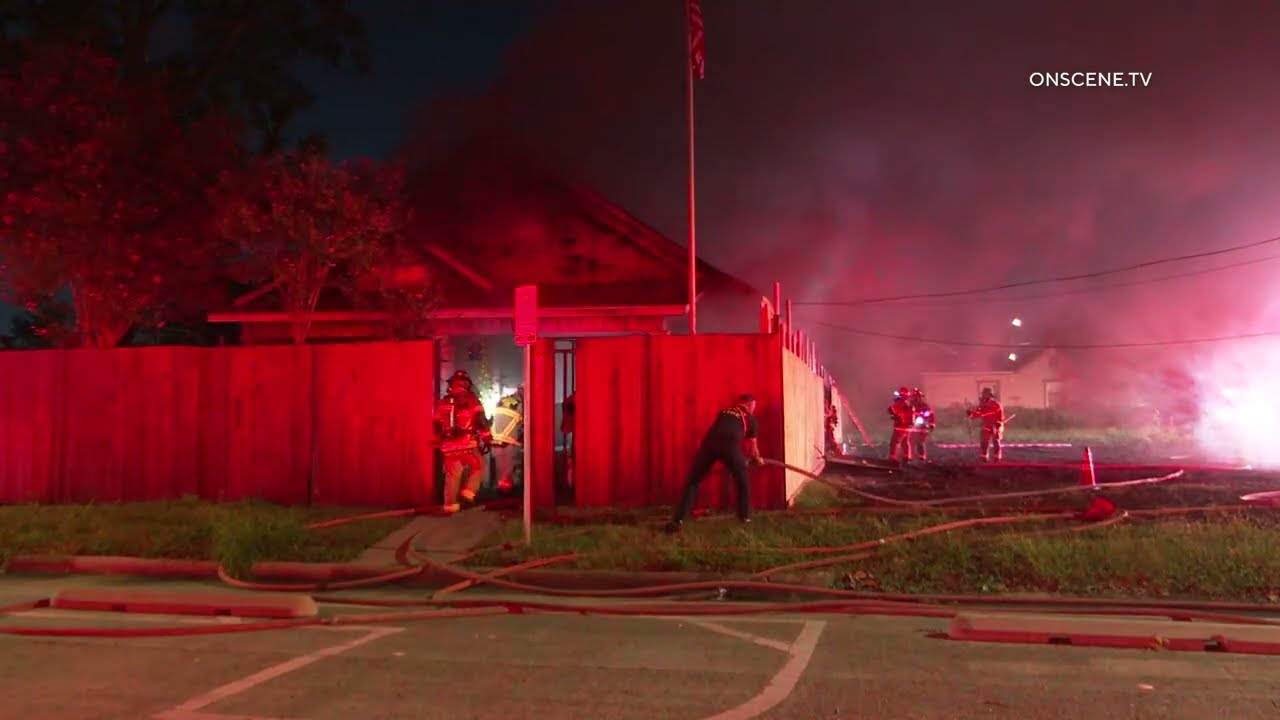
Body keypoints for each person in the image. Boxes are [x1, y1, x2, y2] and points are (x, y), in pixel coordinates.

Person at [665, 394, 765, 533]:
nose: (754, 409)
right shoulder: (750, 419)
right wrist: (757, 459)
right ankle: (744, 517)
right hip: (729, 445)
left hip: (709, 444)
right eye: (754, 406)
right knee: (742, 481)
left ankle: (677, 520)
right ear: (749, 405)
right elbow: (752, 447)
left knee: (693, 481)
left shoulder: (724, 412)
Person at [434, 370, 493, 512]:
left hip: (448, 446)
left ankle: (450, 506)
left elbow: (436, 424)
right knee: (479, 466)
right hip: (467, 444)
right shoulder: (472, 400)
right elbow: (480, 422)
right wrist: (487, 438)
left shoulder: (443, 402)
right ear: (467, 384)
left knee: (452, 475)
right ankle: (468, 494)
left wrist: (439, 441)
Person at [490, 386, 524, 494]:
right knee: (508, 469)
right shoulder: (521, 403)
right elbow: (524, 422)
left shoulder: (503, 400)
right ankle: (506, 492)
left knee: (500, 468)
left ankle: (501, 489)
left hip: (495, 438)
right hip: (508, 439)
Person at [967, 387, 1005, 462]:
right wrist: (971, 414)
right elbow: (978, 413)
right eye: (983, 394)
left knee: (996, 441)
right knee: (984, 441)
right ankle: (984, 456)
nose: (983, 396)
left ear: (989, 395)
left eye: (985, 394)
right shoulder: (982, 405)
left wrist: (999, 424)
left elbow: (995, 414)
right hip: (986, 425)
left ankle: (997, 456)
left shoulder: (996, 404)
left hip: (995, 425)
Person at [887, 386, 914, 465]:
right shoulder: (908, 403)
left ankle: (893, 457)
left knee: (894, 442)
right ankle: (907, 456)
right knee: (905, 442)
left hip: (901, 426)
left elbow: (892, 409)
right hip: (907, 426)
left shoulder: (901, 402)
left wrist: (892, 412)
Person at [909, 388, 935, 462]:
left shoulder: (925, 406)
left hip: (923, 427)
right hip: (911, 426)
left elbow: (931, 416)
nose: (916, 398)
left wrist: (931, 425)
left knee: (920, 442)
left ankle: (921, 456)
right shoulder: (909, 405)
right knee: (910, 441)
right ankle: (909, 455)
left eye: (918, 396)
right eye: (914, 396)